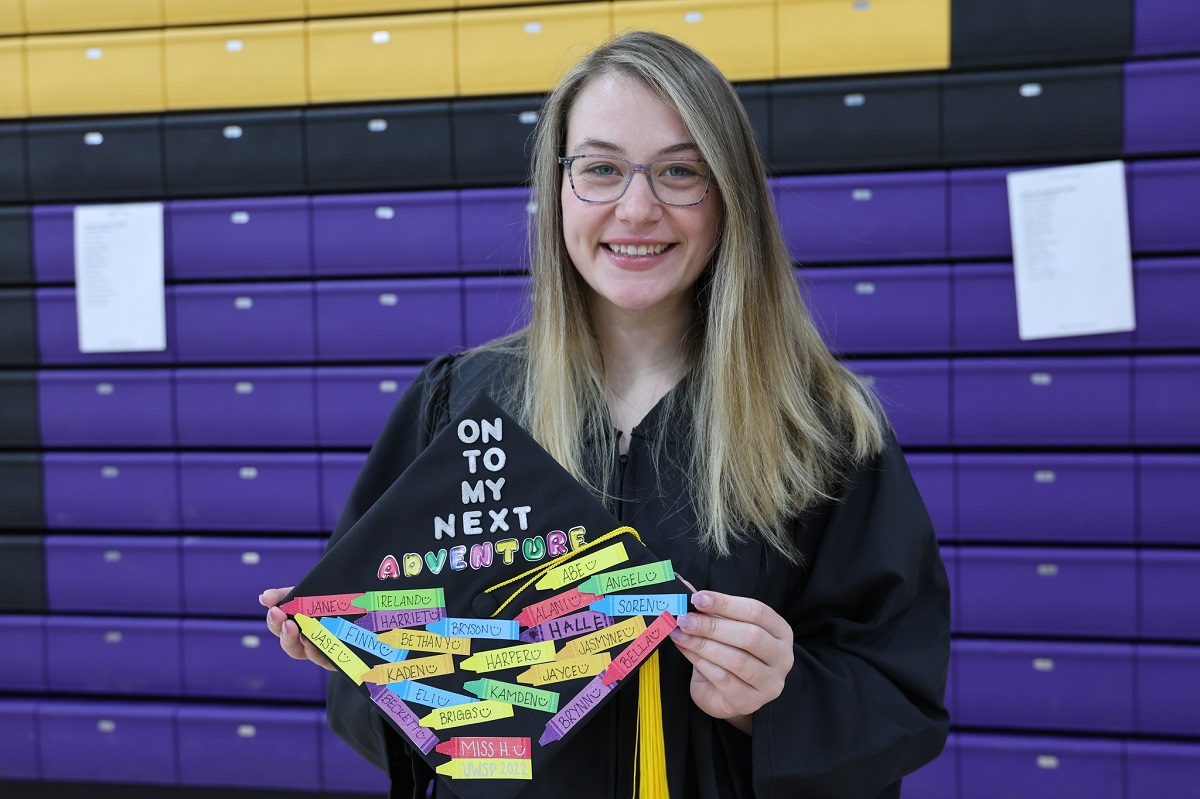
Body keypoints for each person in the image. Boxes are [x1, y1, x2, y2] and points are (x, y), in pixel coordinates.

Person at [261, 30, 950, 799]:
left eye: (680, 172)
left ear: (730, 196)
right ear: (559, 189)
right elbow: (396, 706)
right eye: (600, 169)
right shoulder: (463, 406)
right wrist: (362, 654)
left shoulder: (822, 429)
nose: (637, 207)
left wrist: (777, 696)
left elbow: (899, 689)